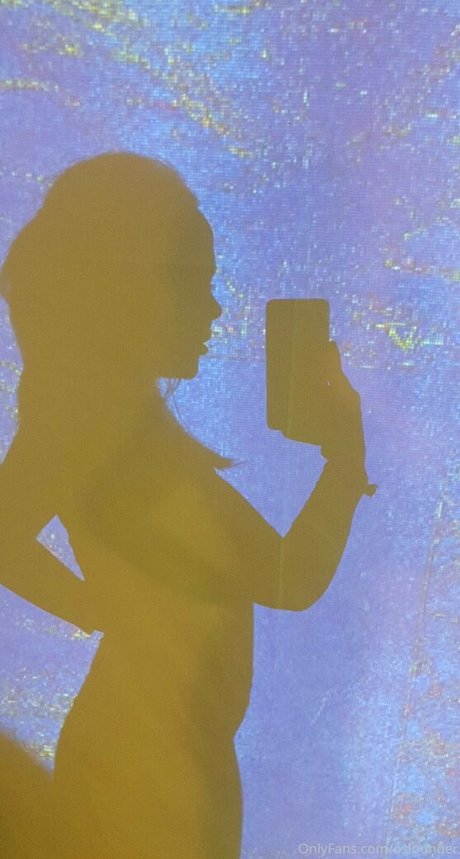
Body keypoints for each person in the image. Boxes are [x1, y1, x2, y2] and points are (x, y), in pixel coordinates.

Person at [0, 152, 371, 858]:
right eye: (193, 281)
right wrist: (94, 606)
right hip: (143, 769)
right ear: (126, 289)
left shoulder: (130, 435)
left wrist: (344, 460)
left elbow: (288, 578)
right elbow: (289, 579)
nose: (213, 309)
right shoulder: (87, 426)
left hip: (173, 760)